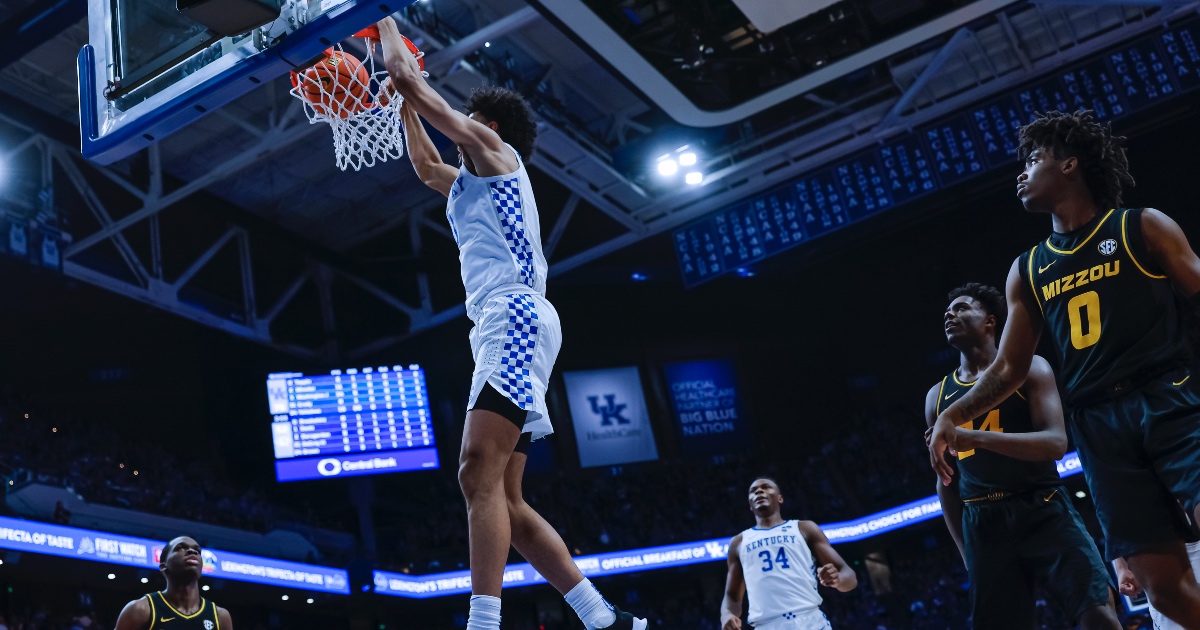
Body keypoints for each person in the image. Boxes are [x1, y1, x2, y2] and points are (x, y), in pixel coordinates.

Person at [374, 16, 646, 630]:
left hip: (515, 315)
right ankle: (604, 619)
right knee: (505, 497)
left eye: (470, 119)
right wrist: (402, 104)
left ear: (488, 128)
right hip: (507, 322)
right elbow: (423, 166)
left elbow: (415, 86)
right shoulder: (467, 186)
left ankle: (483, 622)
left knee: (475, 471)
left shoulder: (499, 156)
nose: (462, 127)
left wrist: (384, 23)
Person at [928, 109, 1200, 626]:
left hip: (1167, 396)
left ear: (1071, 164)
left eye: (1033, 159)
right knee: (1162, 590)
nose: (1021, 171)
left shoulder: (1139, 226)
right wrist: (952, 416)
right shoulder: (1028, 267)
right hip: (1097, 425)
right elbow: (1009, 367)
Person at [925, 283, 1118, 629]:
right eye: (947, 311)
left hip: (1042, 506)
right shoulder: (936, 397)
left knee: (1098, 614)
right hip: (983, 524)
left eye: (962, 308)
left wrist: (975, 438)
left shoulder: (1031, 367)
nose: (949, 314)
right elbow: (945, 483)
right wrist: (965, 551)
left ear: (990, 321)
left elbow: (1055, 444)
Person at [719, 477, 857, 629]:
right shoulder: (738, 542)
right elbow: (732, 595)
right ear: (750, 506)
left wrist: (838, 580)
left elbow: (849, 575)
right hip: (766, 625)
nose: (759, 491)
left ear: (780, 498)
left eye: (766, 487)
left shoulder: (804, 528)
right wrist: (727, 614)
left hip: (809, 620)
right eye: (753, 491)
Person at [115, 536, 232, 629]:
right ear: (163, 566)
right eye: (180, 548)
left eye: (197, 550)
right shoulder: (140, 610)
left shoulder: (220, 617)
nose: (192, 551)